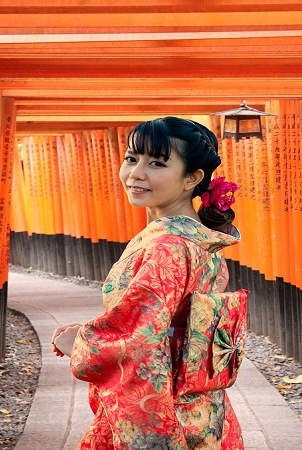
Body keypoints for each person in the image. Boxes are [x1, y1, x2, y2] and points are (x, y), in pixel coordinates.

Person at [52, 117, 245, 449]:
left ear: (192, 178)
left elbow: (139, 344)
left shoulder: (167, 247)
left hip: (171, 417)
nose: (136, 173)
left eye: (156, 163)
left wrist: (82, 346)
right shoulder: (198, 240)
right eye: (131, 158)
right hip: (206, 415)